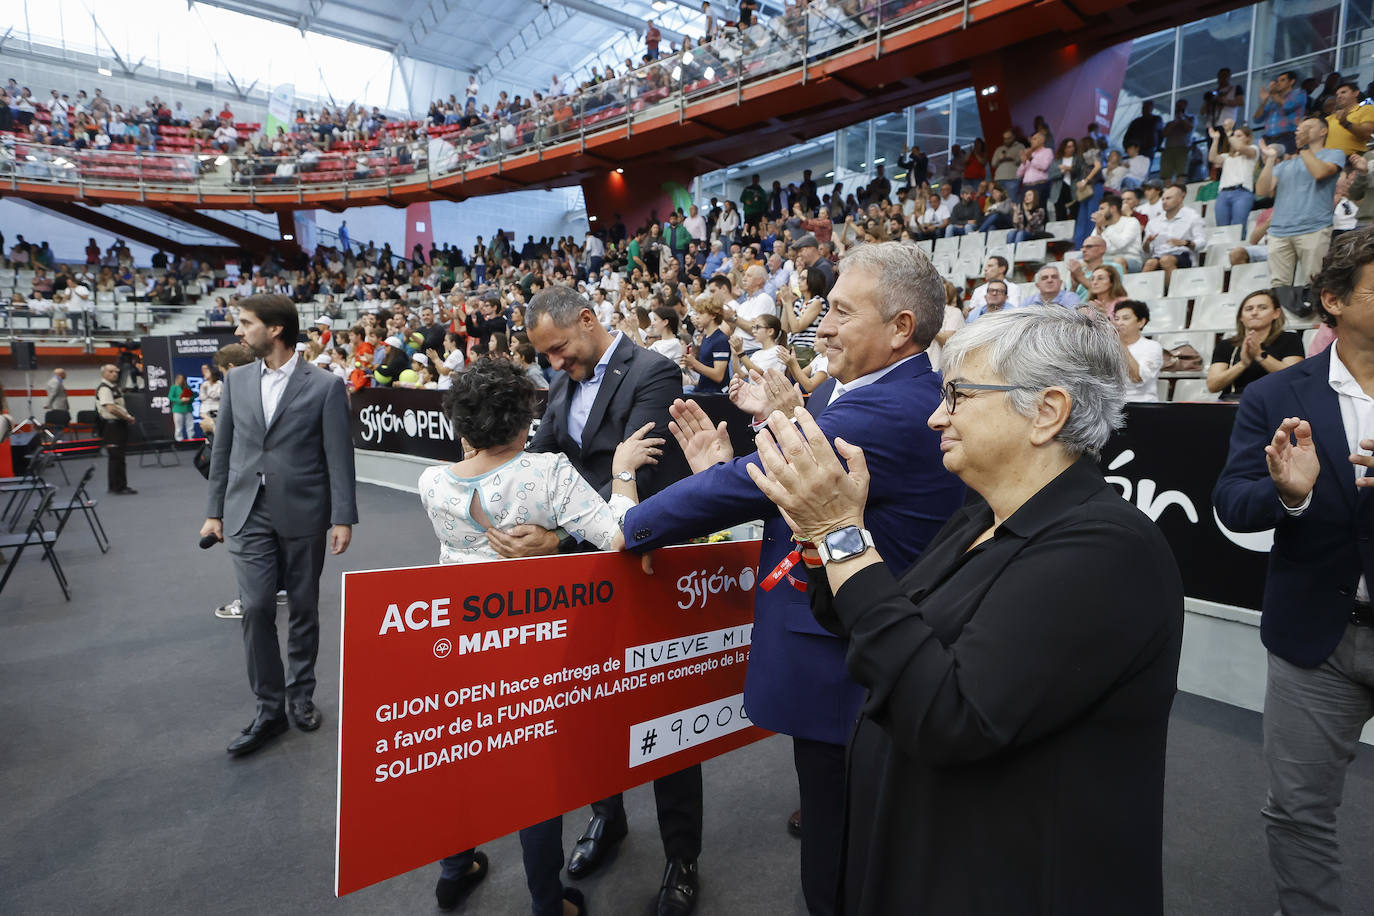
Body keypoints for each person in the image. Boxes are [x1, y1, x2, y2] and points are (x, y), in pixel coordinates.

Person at [742, 305, 1183, 914]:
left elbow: (949, 714)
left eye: (959, 395)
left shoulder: (1109, 549)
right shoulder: (980, 516)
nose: (936, 415)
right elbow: (867, 621)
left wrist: (845, 535)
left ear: (1047, 412)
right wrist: (820, 538)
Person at [621, 242, 967, 916]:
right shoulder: (865, 389)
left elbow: (754, 478)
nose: (822, 326)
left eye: (841, 311)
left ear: (901, 327)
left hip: (847, 669)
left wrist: (628, 524)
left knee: (837, 860)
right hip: (848, 652)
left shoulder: (885, 409)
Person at [424, 358, 662, 915]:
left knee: (462, 758)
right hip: (535, 643)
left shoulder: (431, 482)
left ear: (462, 425)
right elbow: (616, 537)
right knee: (536, 777)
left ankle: (455, 869)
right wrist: (622, 472)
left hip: (461, 641)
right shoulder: (547, 472)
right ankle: (546, 902)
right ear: (524, 420)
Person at [509, 286, 703, 916]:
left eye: (561, 351)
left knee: (664, 717)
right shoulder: (563, 378)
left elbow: (642, 473)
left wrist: (557, 530)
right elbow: (543, 462)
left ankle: (681, 857)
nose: (556, 367)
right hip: (579, 579)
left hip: (645, 564)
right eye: (546, 359)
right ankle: (608, 816)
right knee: (588, 706)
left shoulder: (654, 371)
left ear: (589, 321)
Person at [1212, 227, 1374, 915]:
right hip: (1317, 638)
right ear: (1333, 301)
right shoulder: (1276, 398)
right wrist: (1290, 493)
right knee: (1299, 813)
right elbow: (1233, 502)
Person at [201, 293, 358, 757]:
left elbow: (338, 456)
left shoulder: (326, 386)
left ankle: (301, 696)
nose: (237, 331)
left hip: (305, 510)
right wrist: (214, 513)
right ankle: (268, 709)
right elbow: (223, 451)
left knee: (305, 608)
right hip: (247, 509)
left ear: (274, 329)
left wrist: (343, 517)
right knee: (254, 608)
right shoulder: (237, 381)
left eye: (245, 323)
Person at [1257, 116, 1345, 286]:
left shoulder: (1334, 154)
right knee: (1278, 286)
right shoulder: (1284, 165)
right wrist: (1269, 160)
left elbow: (1319, 173)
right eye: (1300, 129)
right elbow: (1262, 190)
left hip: (1314, 228)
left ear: (1323, 131)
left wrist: (1304, 148)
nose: (1302, 131)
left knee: (1314, 283)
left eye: (1308, 127)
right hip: (1279, 231)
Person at [1205, 289, 1305, 400]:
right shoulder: (1226, 345)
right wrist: (1243, 364)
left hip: (1277, 401)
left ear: (1276, 313)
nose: (1254, 313)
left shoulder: (1290, 339)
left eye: (1262, 308)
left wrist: (1259, 355)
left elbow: (1294, 378)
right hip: (1234, 402)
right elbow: (1213, 386)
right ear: (1241, 317)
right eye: (1249, 309)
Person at [1142, 183, 1207, 288]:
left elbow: (1202, 242)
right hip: (1159, 256)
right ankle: (1142, 297)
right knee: (1150, 263)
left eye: (1168, 198)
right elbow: (1147, 251)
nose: (1164, 202)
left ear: (1180, 199)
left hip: (1184, 255)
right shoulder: (1153, 222)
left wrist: (1185, 243)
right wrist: (1146, 243)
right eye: (1162, 199)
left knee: (1166, 260)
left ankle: (1174, 292)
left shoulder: (1192, 216)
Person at [95, 363, 137, 495]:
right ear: (104, 374)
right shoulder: (105, 388)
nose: (115, 374)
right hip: (112, 426)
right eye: (111, 371)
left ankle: (119, 485)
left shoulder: (114, 388)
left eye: (116, 371)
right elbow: (110, 408)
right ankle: (117, 487)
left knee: (119, 456)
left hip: (117, 425)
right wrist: (127, 417)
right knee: (115, 457)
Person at [1112, 300, 1164, 401]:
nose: (1119, 323)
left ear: (1141, 322)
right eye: (1116, 319)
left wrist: (1119, 341)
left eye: (1126, 318)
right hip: (1114, 407)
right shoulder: (1109, 347)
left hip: (1142, 406)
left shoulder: (1152, 346)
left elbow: (1137, 378)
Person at [1208, 124, 1258, 227]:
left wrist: (1229, 133)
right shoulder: (1227, 156)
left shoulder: (1253, 149)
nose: (1235, 139)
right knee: (1222, 229)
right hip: (1223, 194)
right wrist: (1216, 140)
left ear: (1248, 138)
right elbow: (1212, 158)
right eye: (1234, 136)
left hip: (1242, 192)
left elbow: (1239, 147)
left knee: (1238, 227)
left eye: (1239, 136)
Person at [682, 296, 732, 395]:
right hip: (703, 389)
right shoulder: (706, 337)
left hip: (715, 394)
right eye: (697, 313)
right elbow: (706, 368)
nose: (697, 316)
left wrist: (695, 363)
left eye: (701, 313)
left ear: (713, 315)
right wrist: (692, 366)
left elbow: (718, 376)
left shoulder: (720, 340)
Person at [1254, 70, 1308, 154]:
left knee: (1286, 165)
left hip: (1287, 138)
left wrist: (1273, 94)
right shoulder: (1273, 103)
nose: (1278, 83)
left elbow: (1287, 106)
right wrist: (1264, 102)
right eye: (1277, 81)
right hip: (1268, 140)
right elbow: (1257, 119)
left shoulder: (1299, 93)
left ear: (1291, 82)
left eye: (1282, 80)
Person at [169, 373, 195, 441]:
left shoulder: (188, 387)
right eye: (179, 379)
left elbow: (194, 395)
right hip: (178, 409)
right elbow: (170, 397)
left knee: (190, 426)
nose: (181, 380)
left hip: (188, 408)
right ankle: (179, 440)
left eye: (182, 379)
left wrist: (189, 399)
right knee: (178, 427)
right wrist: (180, 400)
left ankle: (191, 439)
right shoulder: (174, 387)